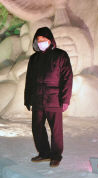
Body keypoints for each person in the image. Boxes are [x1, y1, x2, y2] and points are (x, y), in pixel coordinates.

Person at [24, 27, 73, 167]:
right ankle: (44, 153)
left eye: (43, 40)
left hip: (54, 98)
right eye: (38, 40)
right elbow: (29, 80)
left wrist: (65, 99)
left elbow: (67, 78)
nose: (41, 42)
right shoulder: (34, 59)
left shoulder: (60, 55)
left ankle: (56, 155)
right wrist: (27, 98)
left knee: (56, 129)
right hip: (37, 98)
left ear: (50, 40)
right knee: (37, 127)